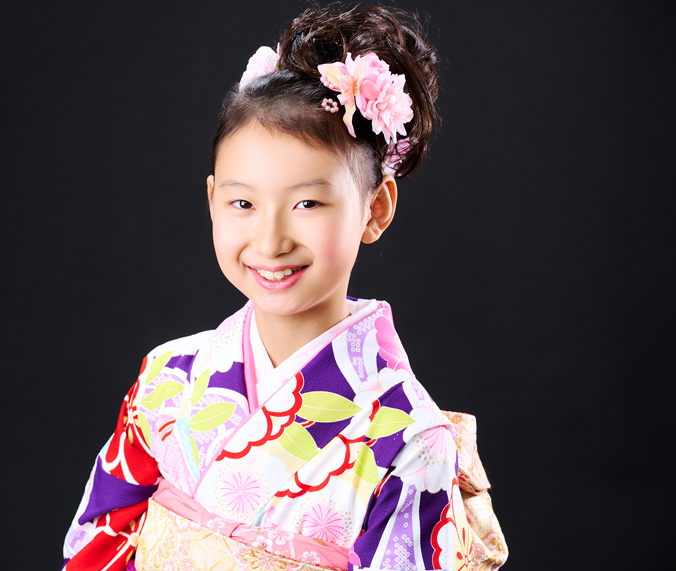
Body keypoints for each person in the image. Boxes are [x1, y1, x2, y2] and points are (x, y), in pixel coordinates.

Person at [61, 4, 507, 570]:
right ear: (212, 200)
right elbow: (98, 543)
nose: (270, 241)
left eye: (308, 203)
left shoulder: (411, 438)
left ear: (375, 208)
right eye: (242, 203)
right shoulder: (167, 376)